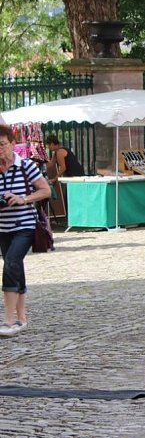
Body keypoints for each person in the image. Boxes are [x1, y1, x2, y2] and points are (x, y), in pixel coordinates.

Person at [0, 125, 52, 337]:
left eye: (2, 145)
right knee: (15, 266)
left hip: (24, 225)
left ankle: (8, 320)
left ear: (13, 144)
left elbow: (45, 190)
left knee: (11, 263)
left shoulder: (26, 166)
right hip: (3, 227)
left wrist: (23, 199)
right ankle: (22, 318)